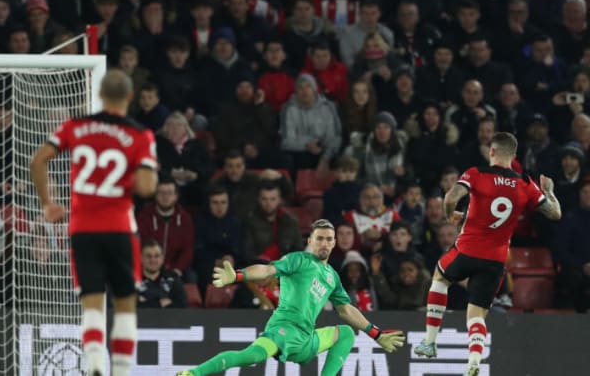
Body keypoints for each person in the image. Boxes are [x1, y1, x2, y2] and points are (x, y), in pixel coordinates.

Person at [29, 69, 158, 376]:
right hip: (119, 229)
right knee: (125, 303)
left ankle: (96, 365)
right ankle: (122, 372)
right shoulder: (141, 135)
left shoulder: (76, 126)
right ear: (129, 97)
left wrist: (47, 204)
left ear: (99, 95)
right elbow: (145, 188)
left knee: (92, 302)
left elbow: (37, 160)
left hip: (82, 230)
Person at [414, 132, 562, 376]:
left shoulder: (476, 174)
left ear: (491, 151)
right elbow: (555, 214)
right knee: (477, 313)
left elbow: (451, 196)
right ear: (513, 156)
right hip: (495, 260)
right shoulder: (526, 183)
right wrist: (550, 191)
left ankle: (430, 342)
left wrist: (450, 214)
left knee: (440, 279)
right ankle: (473, 359)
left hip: (467, 249)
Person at [176, 219, 405, 376]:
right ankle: (193, 373)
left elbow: (346, 310)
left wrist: (376, 334)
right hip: (284, 329)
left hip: (306, 339)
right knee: (251, 355)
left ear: (334, 242)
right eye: (319, 238)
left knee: (345, 334)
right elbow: (266, 271)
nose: (324, 243)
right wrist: (238, 275)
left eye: (328, 239)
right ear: (310, 241)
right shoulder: (299, 260)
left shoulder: (332, 277)